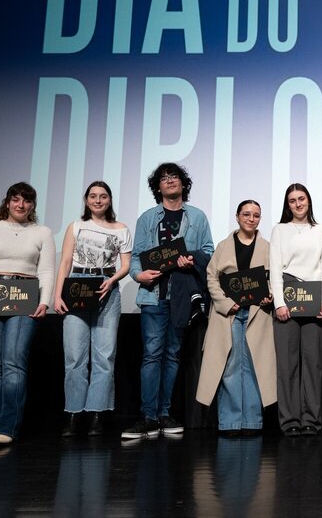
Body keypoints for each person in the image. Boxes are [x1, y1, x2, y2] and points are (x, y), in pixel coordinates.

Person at [122, 163, 214, 440]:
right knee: (152, 354)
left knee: (172, 355)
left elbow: (208, 251)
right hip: (153, 296)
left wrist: (192, 259)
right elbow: (136, 256)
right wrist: (138, 275)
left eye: (175, 177)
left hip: (181, 297)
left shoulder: (197, 217)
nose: (170, 181)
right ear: (158, 187)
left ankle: (164, 413)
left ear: (183, 183)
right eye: (164, 178)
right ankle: (148, 417)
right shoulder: (148, 218)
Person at [0, 182, 56, 445]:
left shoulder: (42, 232)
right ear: (7, 203)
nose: (21, 205)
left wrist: (45, 302)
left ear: (33, 205)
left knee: (14, 363)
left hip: (25, 295)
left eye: (26, 201)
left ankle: (7, 426)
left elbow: (46, 271)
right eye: (16, 199)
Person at [53, 181, 132, 437]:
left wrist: (113, 279)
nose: (98, 200)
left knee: (104, 356)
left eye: (103, 196)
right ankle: (74, 413)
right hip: (77, 286)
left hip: (107, 288)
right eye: (93, 196)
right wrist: (57, 295)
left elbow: (126, 265)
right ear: (86, 200)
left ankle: (97, 414)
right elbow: (66, 261)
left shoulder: (121, 229)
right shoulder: (76, 226)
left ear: (109, 200)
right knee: (75, 356)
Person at [196, 200, 276, 436]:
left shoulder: (268, 247)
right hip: (229, 314)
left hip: (256, 314)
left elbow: (275, 278)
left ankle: (251, 421)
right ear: (237, 216)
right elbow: (211, 277)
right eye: (246, 214)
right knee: (229, 366)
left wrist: (270, 295)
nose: (251, 219)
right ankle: (231, 422)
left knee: (254, 366)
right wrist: (225, 304)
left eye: (256, 215)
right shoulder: (223, 246)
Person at [269, 183, 322, 436]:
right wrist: (279, 303)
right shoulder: (280, 230)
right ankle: (289, 421)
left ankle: (311, 420)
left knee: (313, 365)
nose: (298, 204)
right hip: (287, 297)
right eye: (292, 200)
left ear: (309, 201)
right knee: (287, 366)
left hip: (314, 298)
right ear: (288, 205)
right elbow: (275, 268)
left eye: (302, 198)